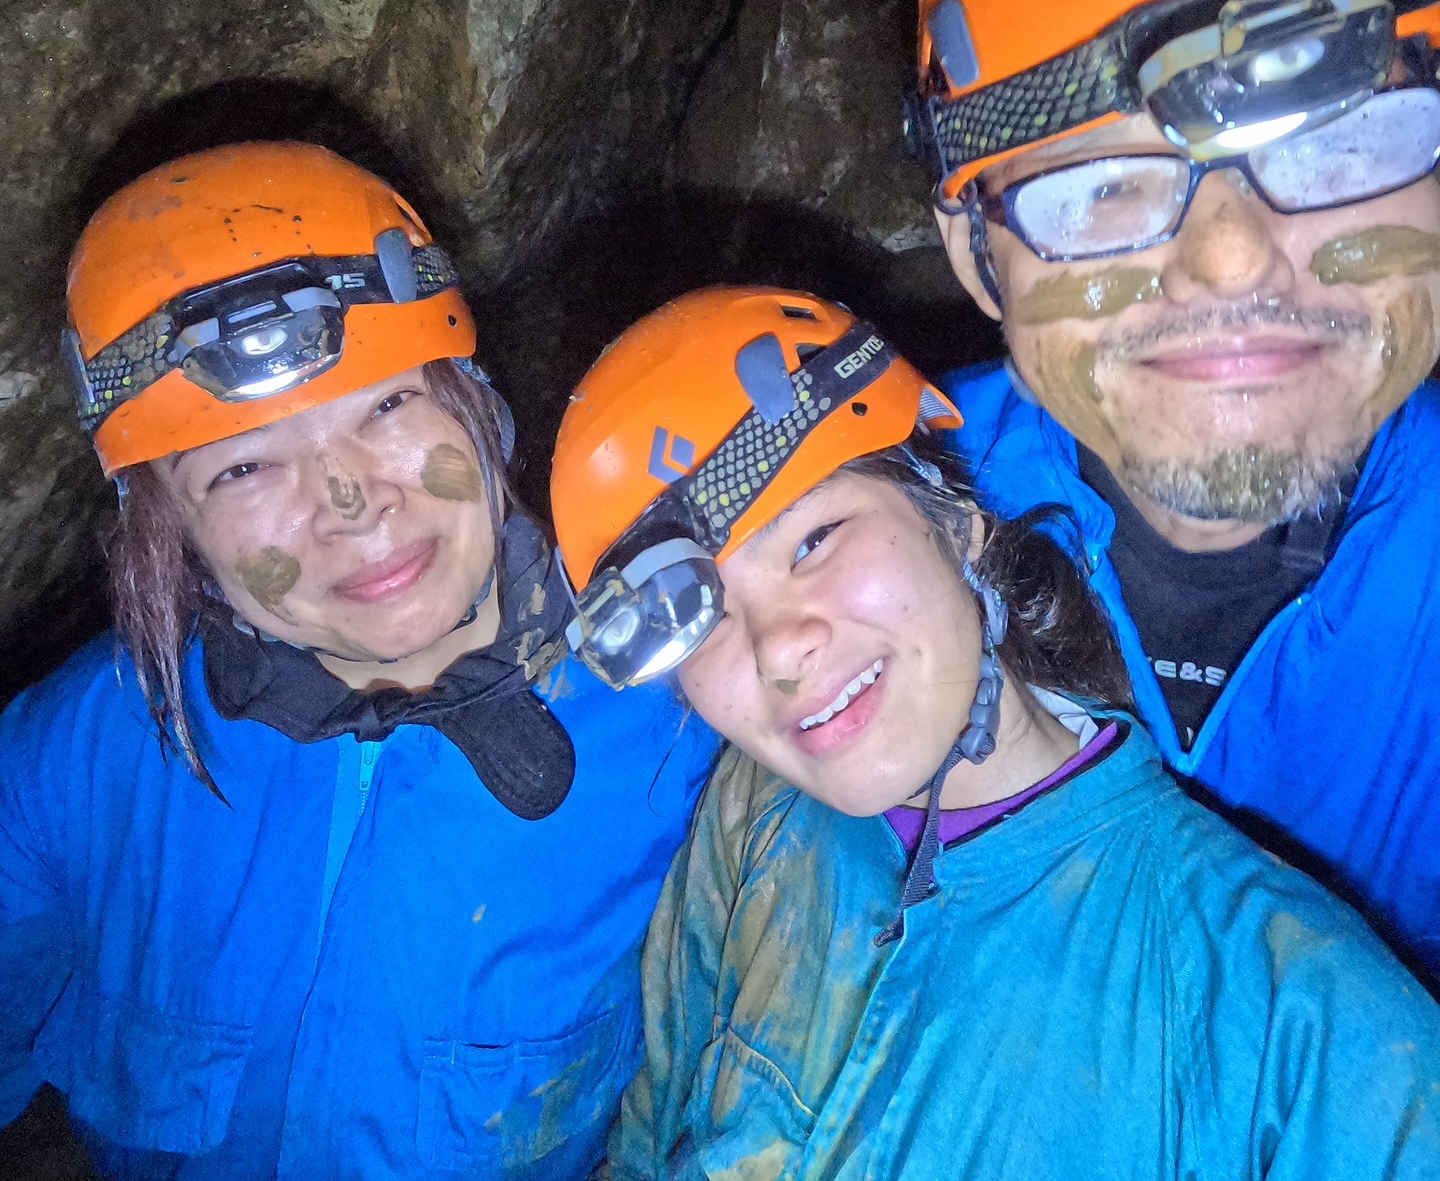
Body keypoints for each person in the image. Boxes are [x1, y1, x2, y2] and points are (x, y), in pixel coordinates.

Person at [548, 284, 1440, 1180]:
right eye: (698, 614)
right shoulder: (755, 813)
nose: (781, 648)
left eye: (814, 540)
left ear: (959, 523)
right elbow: (646, 1141)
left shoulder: (1312, 1026)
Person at [0, 142, 715, 1179]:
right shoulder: (79, 758)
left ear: (477, 400)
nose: (351, 502)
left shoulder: (684, 710)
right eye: (246, 466)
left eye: (385, 404)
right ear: (171, 532)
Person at [903, 0, 1440, 978]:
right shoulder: (863, 530)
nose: (1235, 257)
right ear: (978, 259)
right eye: (1103, 186)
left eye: (1336, 136)